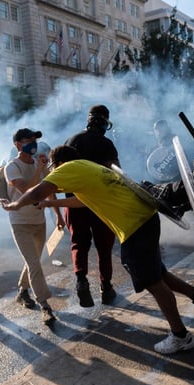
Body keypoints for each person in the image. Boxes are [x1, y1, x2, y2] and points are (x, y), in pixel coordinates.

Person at [1, 144, 194, 354]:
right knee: (157, 273)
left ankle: (181, 336)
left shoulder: (66, 169)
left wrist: (13, 206)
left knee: (153, 282)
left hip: (134, 224)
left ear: (58, 163)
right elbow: (81, 201)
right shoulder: (85, 166)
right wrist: (51, 205)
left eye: (52, 167)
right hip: (143, 218)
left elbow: (36, 192)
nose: (52, 171)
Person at [1, 128, 64, 325]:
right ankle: (45, 306)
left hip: (39, 221)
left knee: (35, 261)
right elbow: (28, 190)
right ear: (17, 144)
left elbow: (49, 189)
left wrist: (58, 216)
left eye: (34, 139)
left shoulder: (40, 163)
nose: (33, 143)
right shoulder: (12, 167)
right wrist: (39, 170)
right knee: (35, 264)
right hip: (20, 222)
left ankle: (22, 291)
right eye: (28, 140)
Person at [64, 105, 118, 308]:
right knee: (104, 247)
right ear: (105, 123)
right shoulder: (106, 144)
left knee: (78, 243)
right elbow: (115, 174)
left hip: (74, 202)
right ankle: (106, 288)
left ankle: (81, 280)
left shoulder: (71, 141)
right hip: (100, 204)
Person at [146, 119, 180, 184]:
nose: (159, 131)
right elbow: (151, 170)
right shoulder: (152, 149)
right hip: (169, 182)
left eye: (161, 128)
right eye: (156, 129)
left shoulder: (176, 139)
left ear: (167, 128)